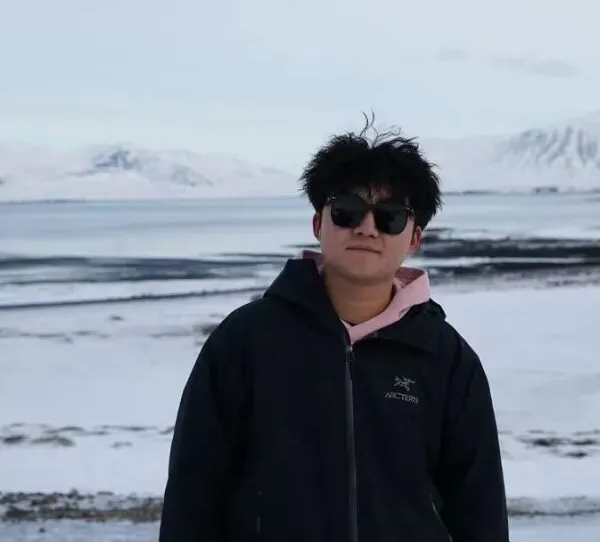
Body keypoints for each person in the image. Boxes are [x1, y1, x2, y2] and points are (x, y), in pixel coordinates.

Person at [159, 118, 509, 542]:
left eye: (389, 216)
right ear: (317, 224)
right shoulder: (247, 341)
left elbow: (480, 509)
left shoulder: (445, 358)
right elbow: (192, 494)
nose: (366, 227)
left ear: (414, 237)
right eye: (347, 211)